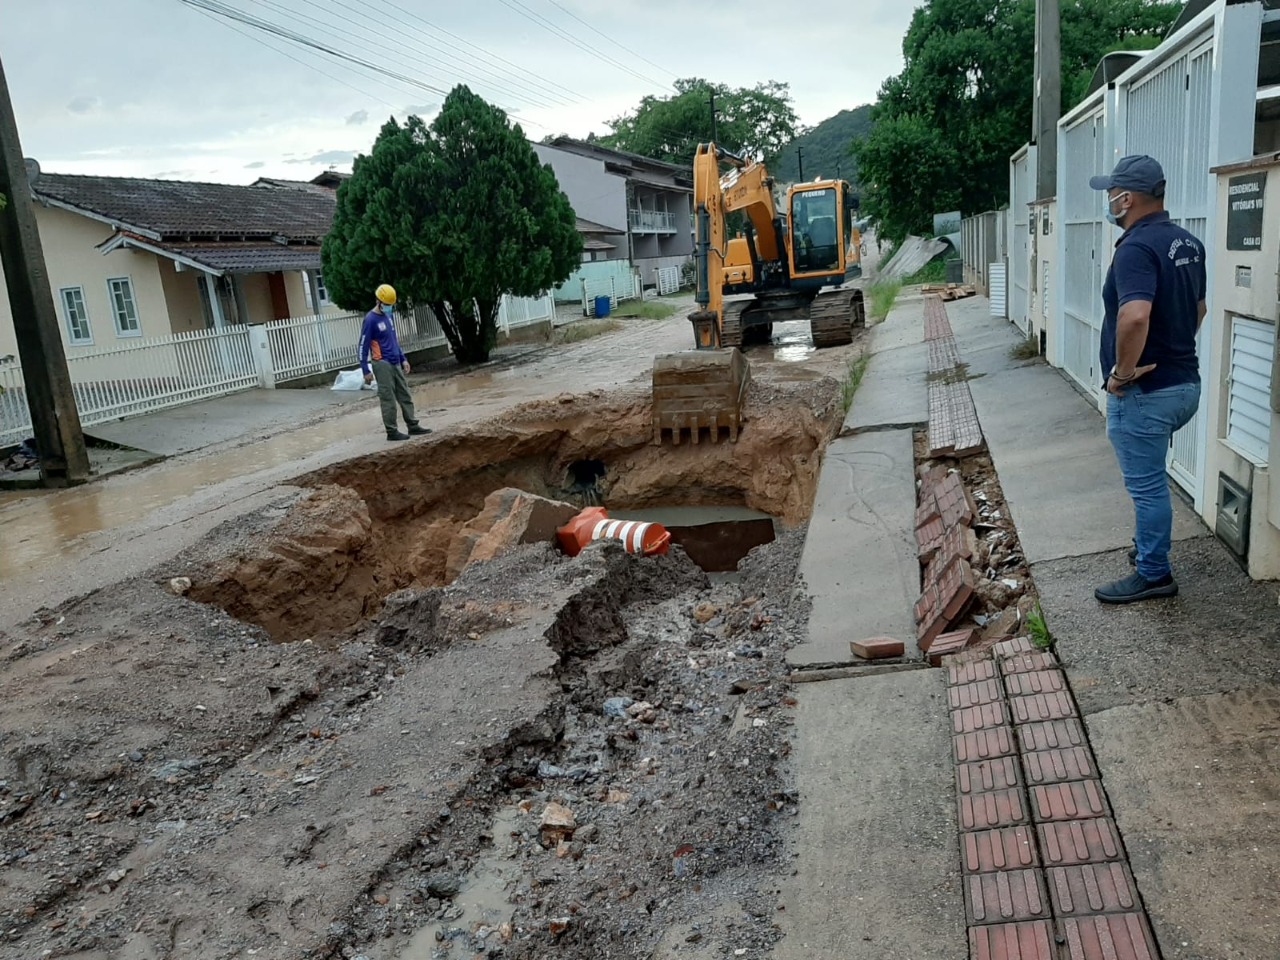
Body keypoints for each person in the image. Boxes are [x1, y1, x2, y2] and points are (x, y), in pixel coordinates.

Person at [1089, 155, 1206, 605]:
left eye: (1111, 194)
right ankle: (1148, 549)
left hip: (1146, 393)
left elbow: (1134, 315)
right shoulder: (1187, 243)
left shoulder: (1136, 248)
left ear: (1127, 198)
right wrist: (1174, 347)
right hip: (1184, 385)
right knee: (1153, 479)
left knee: (1148, 486)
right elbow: (1199, 308)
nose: (1108, 202)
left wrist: (1121, 373)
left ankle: (1154, 573)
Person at [360, 283, 431, 442]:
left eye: (391, 305)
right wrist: (365, 369)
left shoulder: (388, 316)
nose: (389, 308)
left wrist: (403, 359)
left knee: (405, 394)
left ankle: (412, 425)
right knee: (388, 398)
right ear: (378, 301)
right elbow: (362, 346)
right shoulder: (370, 320)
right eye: (387, 305)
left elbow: (394, 340)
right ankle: (392, 431)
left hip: (395, 361)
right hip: (381, 363)